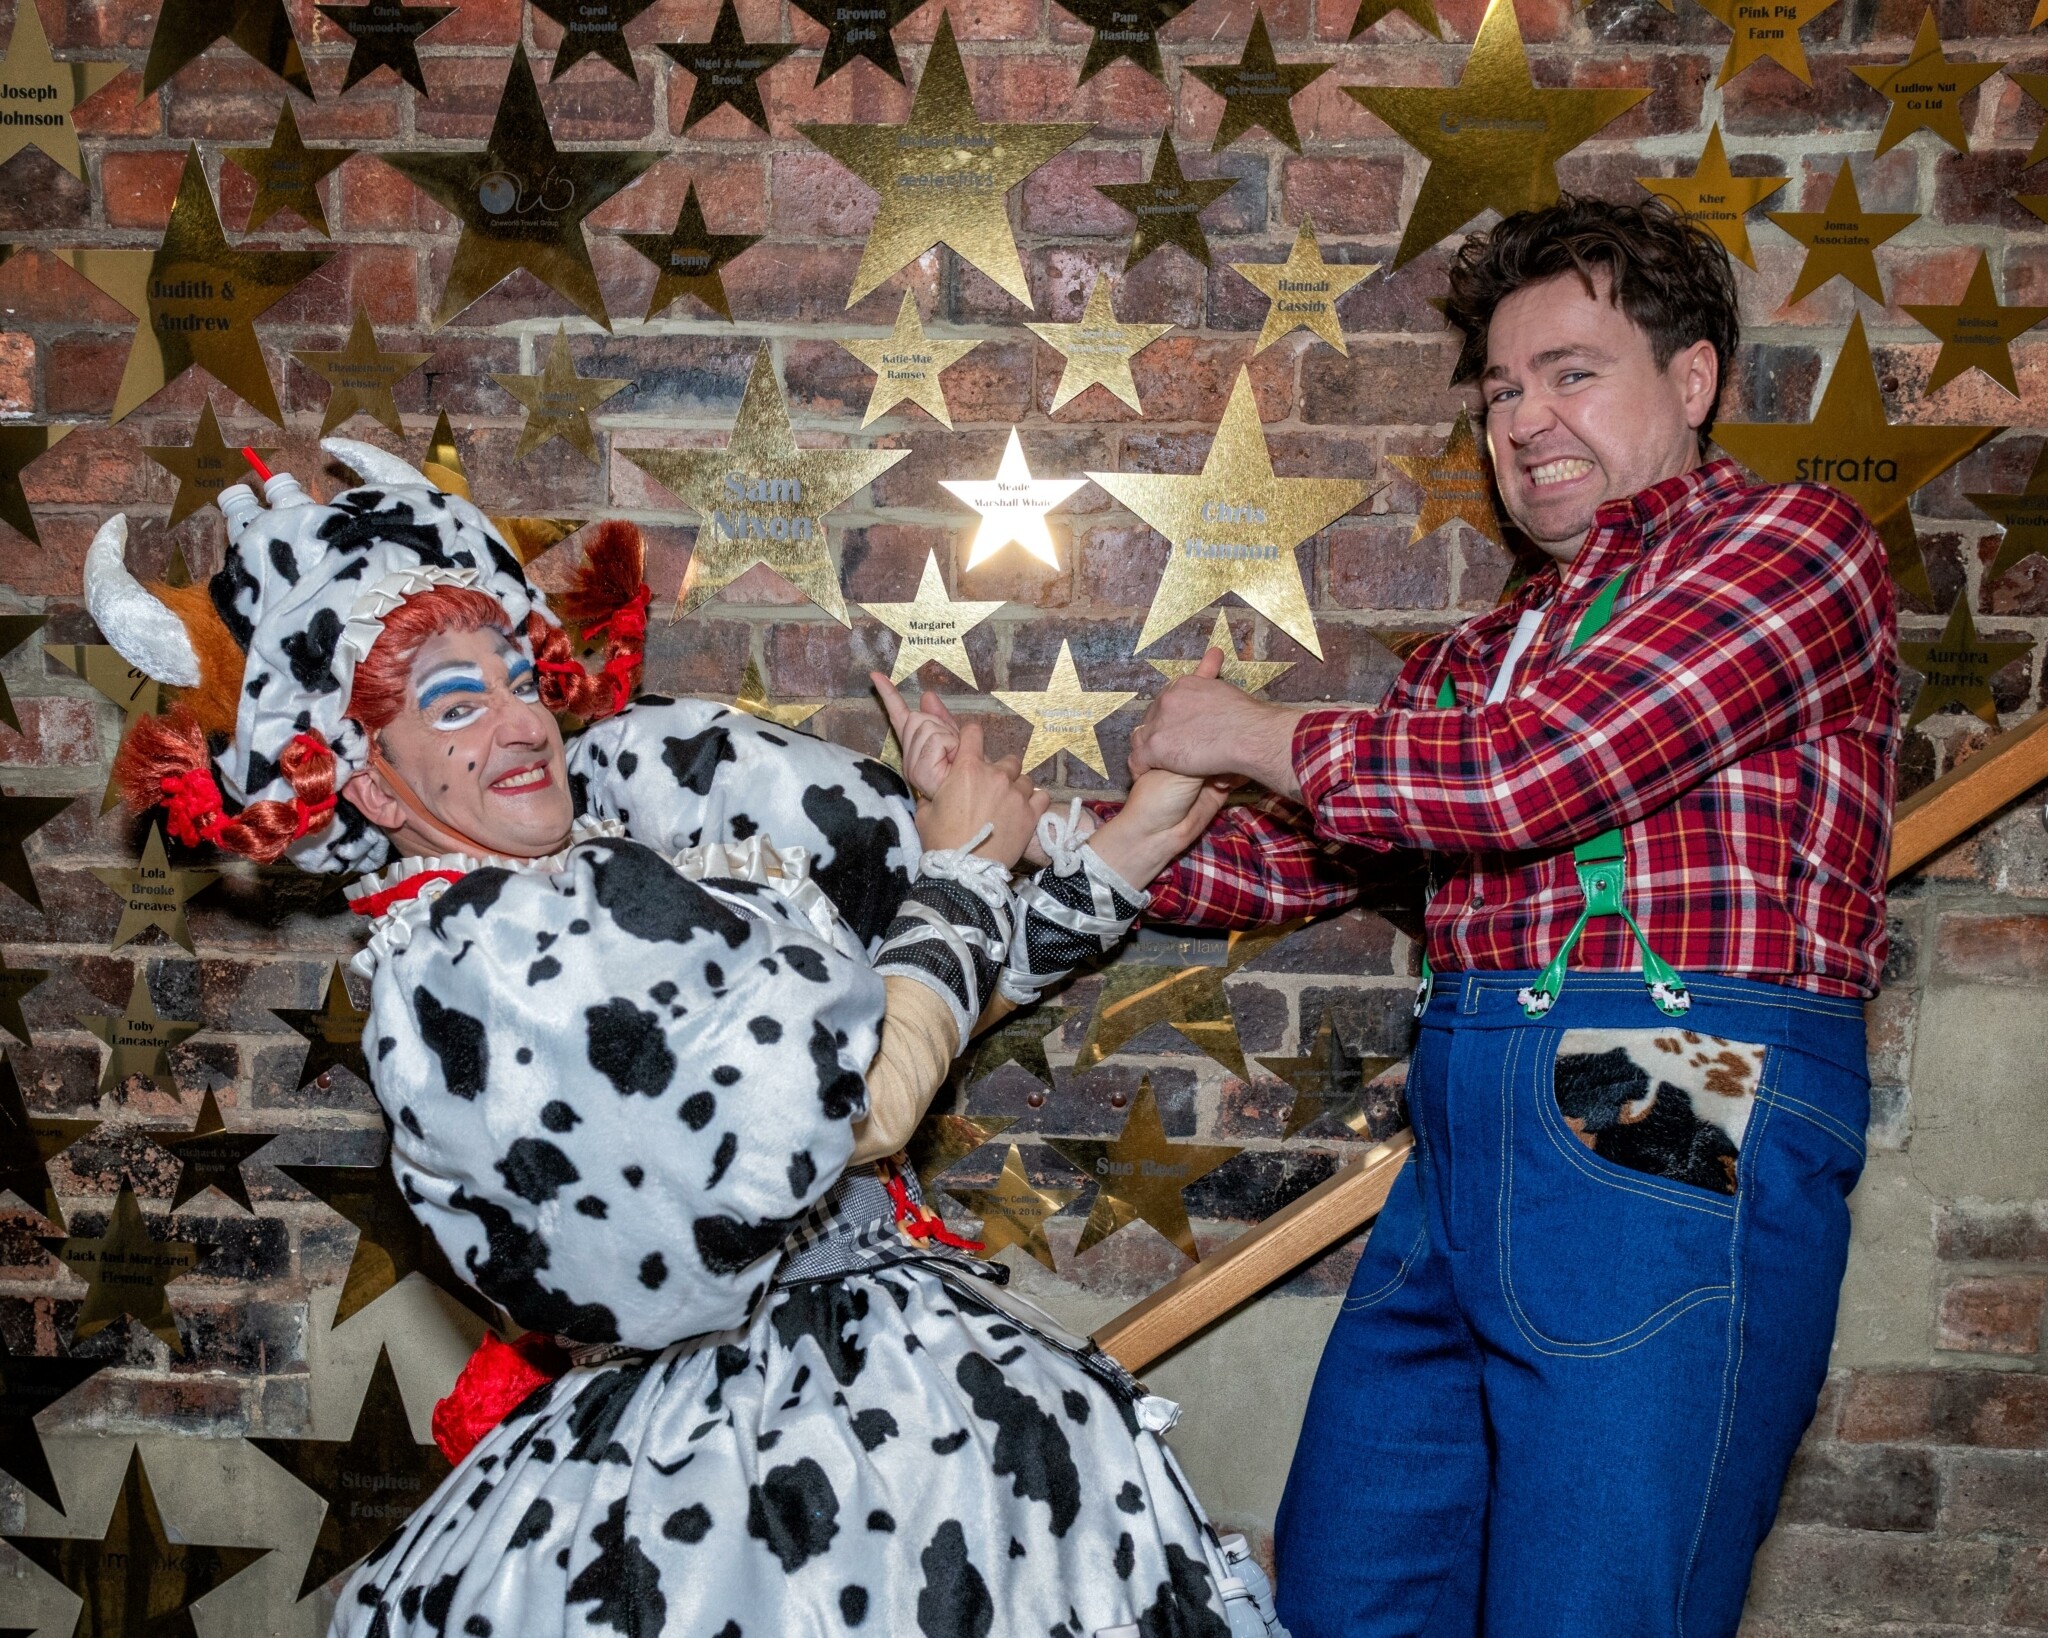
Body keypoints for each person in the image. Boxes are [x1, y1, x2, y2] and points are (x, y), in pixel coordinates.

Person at [89, 438, 1284, 1638]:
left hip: (872, 1387)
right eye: (456, 705)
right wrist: (958, 868)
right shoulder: (478, 953)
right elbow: (857, 1111)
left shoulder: (582, 884)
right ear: (359, 779)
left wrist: (1126, 840)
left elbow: (885, 1019)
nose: (522, 723)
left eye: (518, 679)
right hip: (762, 1462)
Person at [1120, 197, 1899, 1636]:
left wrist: (1248, 732)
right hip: (1464, 1133)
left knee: (1591, 1606)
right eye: (1498, 389)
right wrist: (1038, 852)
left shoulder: (1790, 544)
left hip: (1669, 1085)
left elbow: (1535, 774)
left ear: (1692, 379)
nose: (1524, 417)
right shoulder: (1477, 653)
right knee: (1352, 1590)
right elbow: (1301, 861)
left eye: (1570, 372)